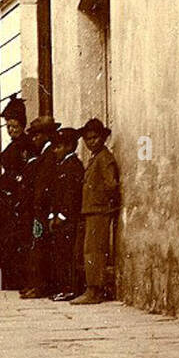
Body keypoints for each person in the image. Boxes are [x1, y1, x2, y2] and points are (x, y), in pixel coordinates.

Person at [0, 94, 31, 290]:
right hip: (2, 200)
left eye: (15, 126)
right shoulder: (12, 145)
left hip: (14, 199)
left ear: (22, 125)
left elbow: (26, 172)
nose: (11, 130)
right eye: (8, 127)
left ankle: (12, 280)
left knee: (12, 239)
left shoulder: (26, 145)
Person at [72, 118, 120, 305]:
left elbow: (111, 185)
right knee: (89, 250)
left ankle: (95, 290)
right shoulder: (95, 158)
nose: (91, 141)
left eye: (95, 138)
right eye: (88, 139)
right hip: (91, 210)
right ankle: (91, 287)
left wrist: (106, 204)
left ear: (103, 138)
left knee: (95, 251)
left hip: (99, 210)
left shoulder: (105, 158)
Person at [20, 116, 60, 299]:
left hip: (44, 210)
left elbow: (48, 185)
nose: (34, 139)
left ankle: (41, 286)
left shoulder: (50, 154)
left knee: (41, 246)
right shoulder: (43, 154)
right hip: (38, 209)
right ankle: (35, 284)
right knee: (36, 245)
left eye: (38, 135)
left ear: (47, 135)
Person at [48, 127, 85, 300]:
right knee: (59, 254)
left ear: (69, 146)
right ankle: (62, 287)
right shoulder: (61, 166)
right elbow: (55, 195)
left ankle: (70, 288)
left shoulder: (73, 166)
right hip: (58, 219)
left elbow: (72, 195)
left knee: (68, 255)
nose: (55, 151)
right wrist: (51, 215)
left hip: (68, 220)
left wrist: (61, 217)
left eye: (58, 147)